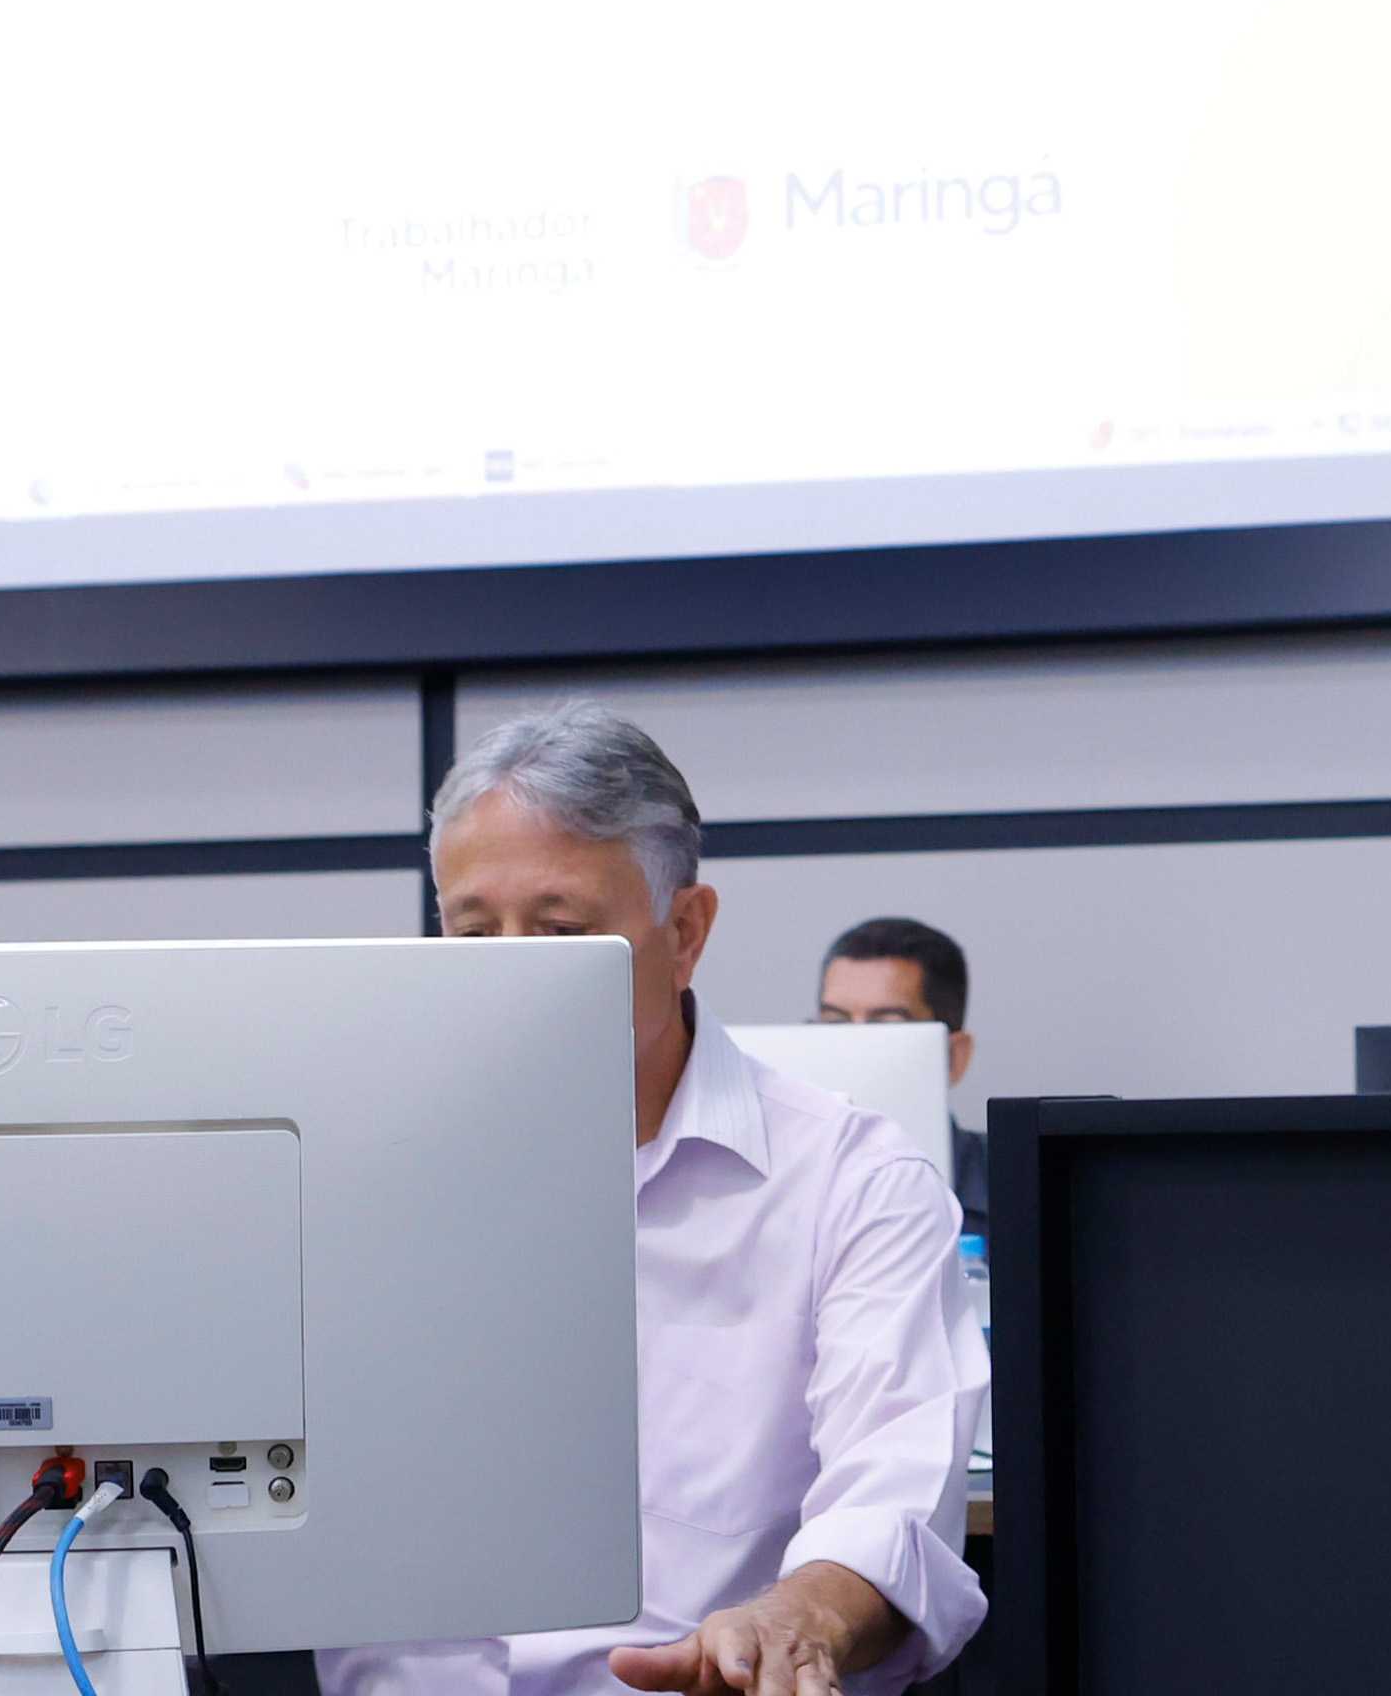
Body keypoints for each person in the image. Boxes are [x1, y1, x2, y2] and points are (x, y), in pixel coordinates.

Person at [325, 703, 982, 1696]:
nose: (513, 977)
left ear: (685, 931)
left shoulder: (854, 1183)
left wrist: (799, 1615)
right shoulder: (360, 1180)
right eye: (474, 932)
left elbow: (894, 1496)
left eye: (561, 933)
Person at [813, 920, 985, 1232]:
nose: (852, 1049)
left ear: (954, 1057)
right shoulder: (777, 1185)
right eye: (835, 1023)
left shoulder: (1019, 1185)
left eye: (886, 1026)